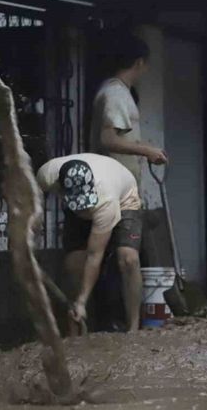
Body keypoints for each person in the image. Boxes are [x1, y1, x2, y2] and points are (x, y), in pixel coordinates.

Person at [36, 153, 143, 334]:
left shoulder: (106, 200)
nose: (84, 209)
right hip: (89, 197)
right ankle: (78, 327)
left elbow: (95, 256)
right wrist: (35, 218)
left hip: (124, 198)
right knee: (74, 264)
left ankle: (133, 328)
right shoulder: (47, 175)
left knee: (128, 258)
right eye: (78, 204)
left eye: (85, 204)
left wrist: (82, 300)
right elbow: (33, 191)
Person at [89, 33, 167, 184]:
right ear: (139, 62)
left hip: (119, 182)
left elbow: (121, 138)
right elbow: (108, 139)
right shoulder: (115, 93)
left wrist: (148, 149)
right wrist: (146, 151)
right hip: (113, 183)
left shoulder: (120, 91)